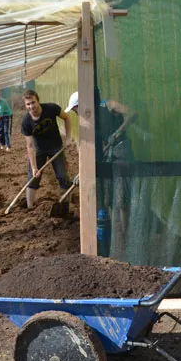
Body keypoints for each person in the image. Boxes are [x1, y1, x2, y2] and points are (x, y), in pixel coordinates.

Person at [65, 91, 137, 256]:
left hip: (121, 153)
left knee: (121, 198)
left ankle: (125, 237)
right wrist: (82, 171)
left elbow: (132, 113)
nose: (75, 113)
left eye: (76, 109)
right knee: (108, 197)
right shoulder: (87, 120)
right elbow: (88, 148)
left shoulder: (108, 105)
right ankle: (113, 233)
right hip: (106, 155)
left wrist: (117, 133)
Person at [20, 90, 73, 208]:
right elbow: (30, 146)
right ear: (25, 105)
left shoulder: (51, 108)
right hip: (39, 149)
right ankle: (30, 207)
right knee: (33, 178)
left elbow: (67, 118)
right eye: (28, 104)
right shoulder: (26, 121)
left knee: (63, 176)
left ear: (38, 101)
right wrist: (34, 167)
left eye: (33, 102)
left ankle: (66, 205)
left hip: (56, 147)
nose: (31, 106)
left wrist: (68, 138)